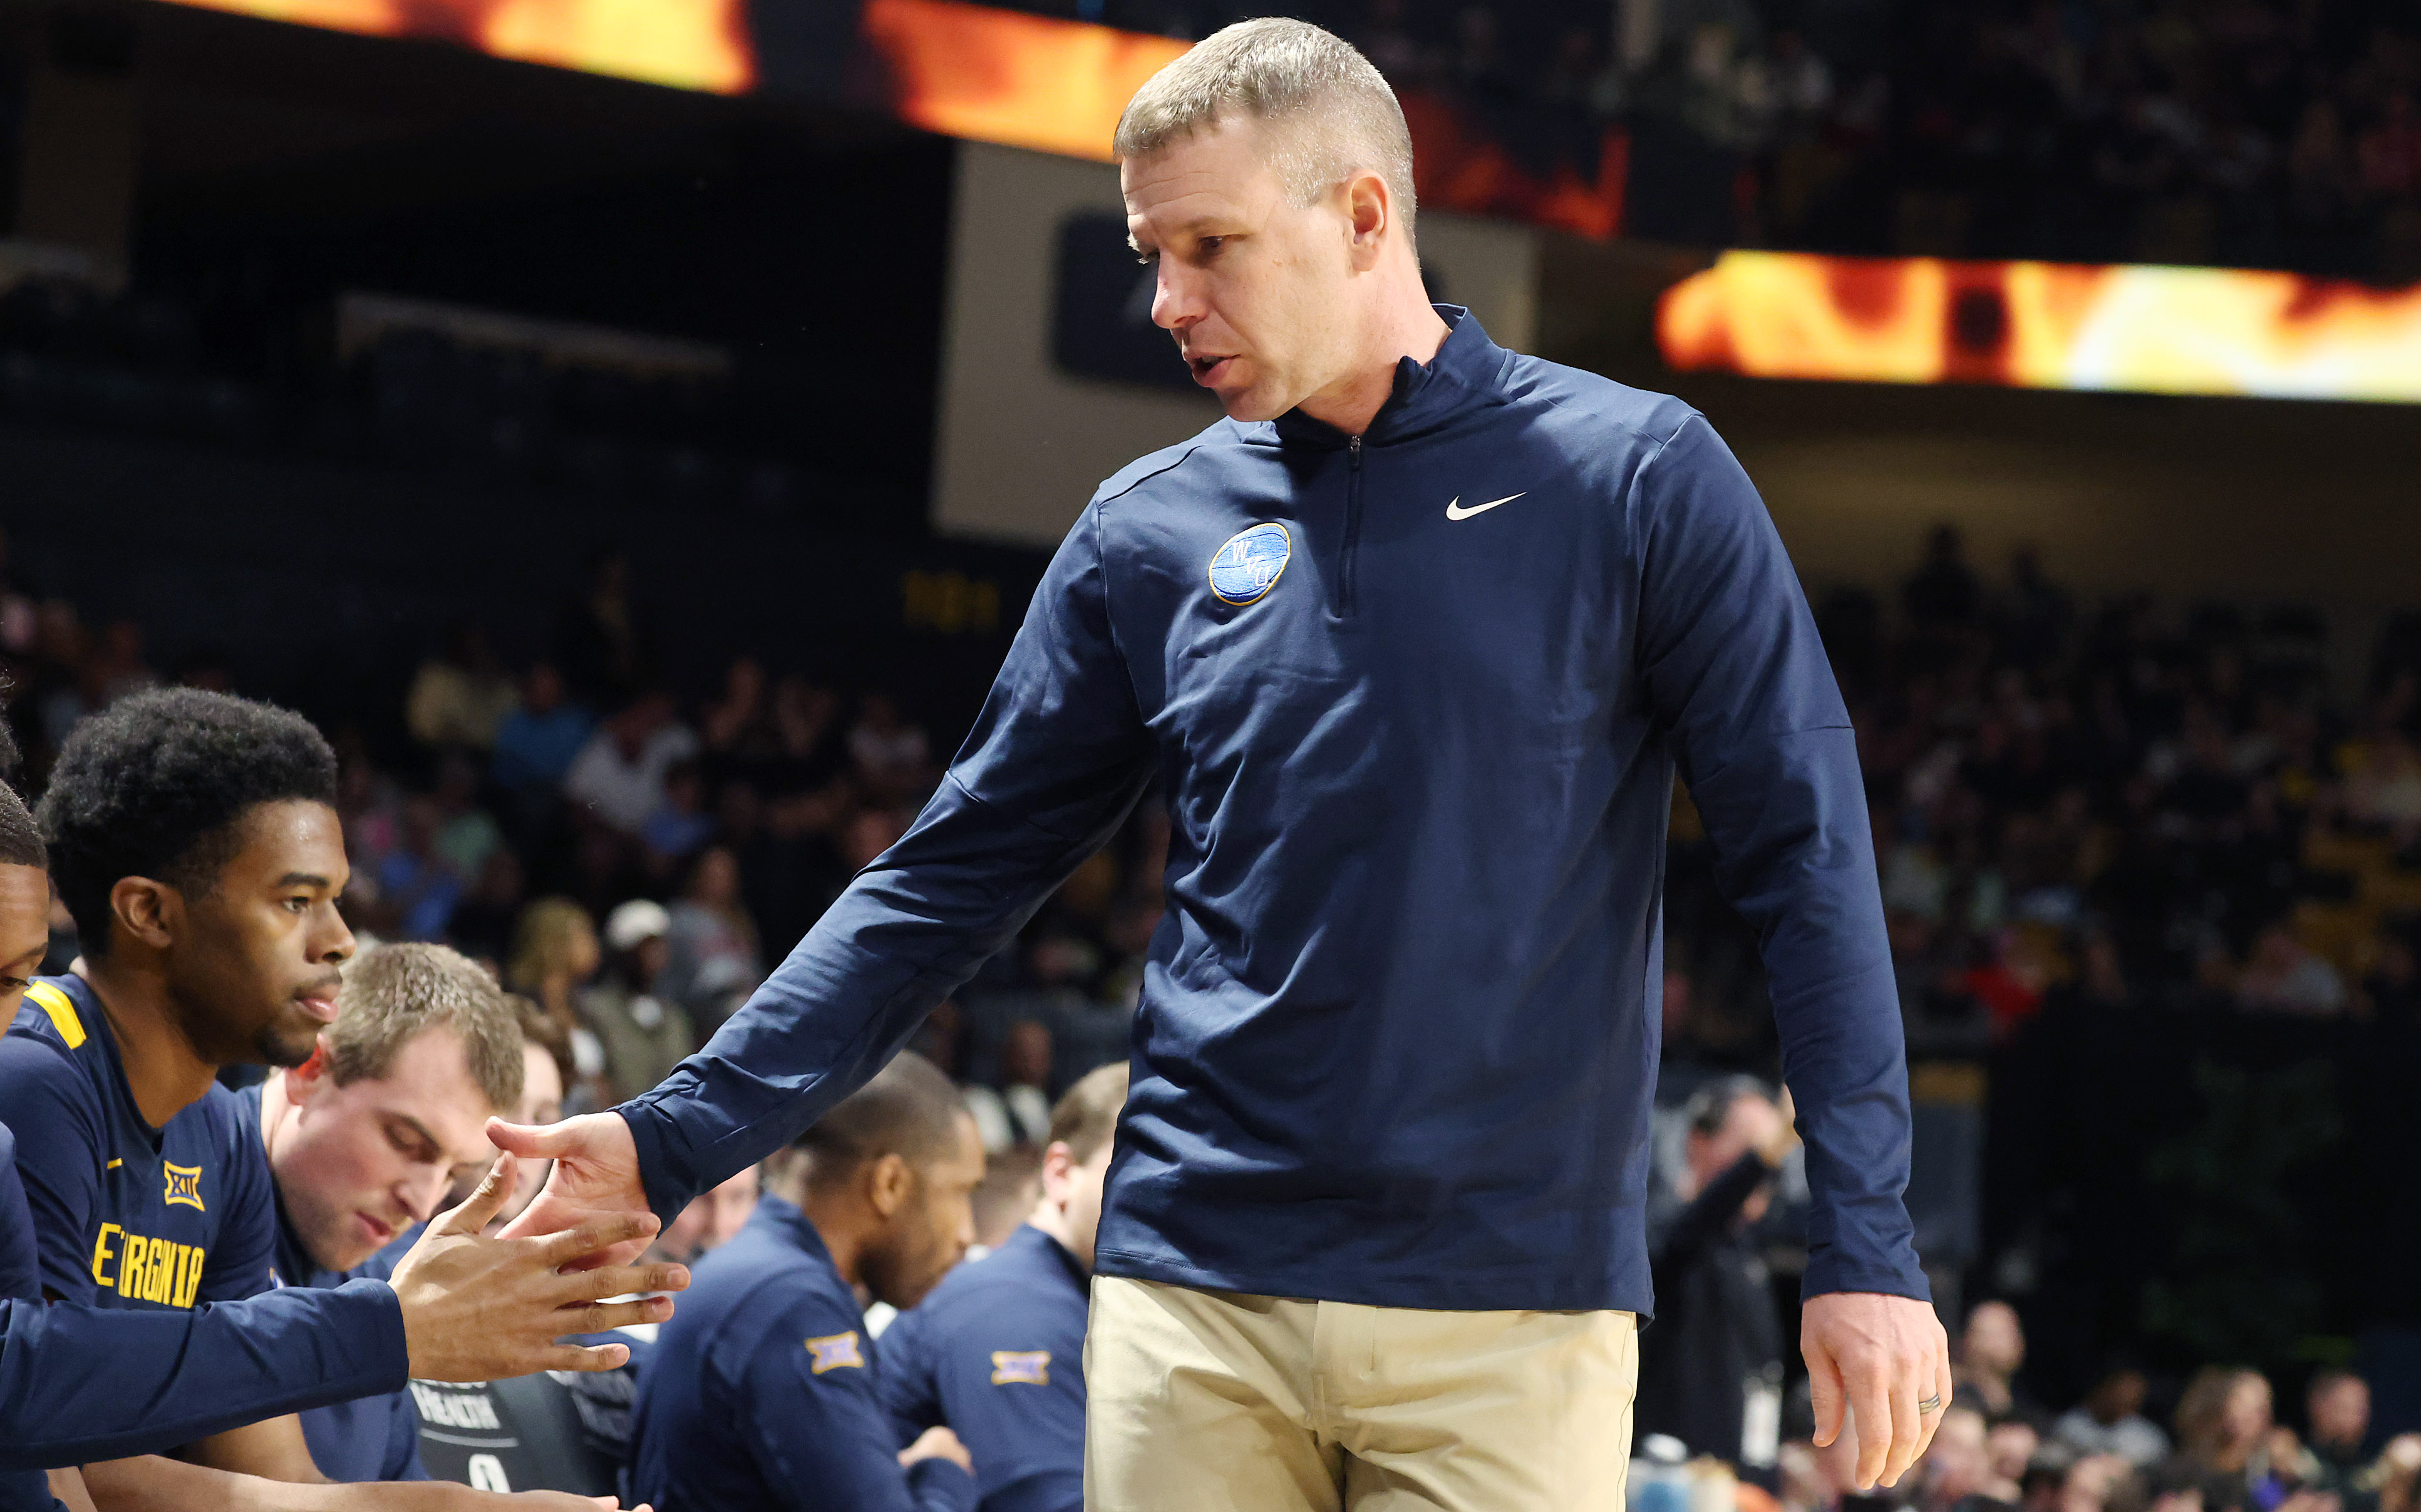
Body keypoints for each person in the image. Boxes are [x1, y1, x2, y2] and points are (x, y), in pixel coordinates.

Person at [495, 19, 1946, 1509]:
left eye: (1211, 246)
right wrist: (668, 1133)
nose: (1165, 299)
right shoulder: (1146, 527)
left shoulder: (1636, 475)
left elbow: (1808, 862)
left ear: (1363, 215)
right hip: (1192, 1288)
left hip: (1509, 1307)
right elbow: (943, 878)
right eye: (1151, 252)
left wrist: (1866, 1244)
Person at [0, 689, 680, 1512]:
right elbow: (39, 1438)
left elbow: (289, 1491)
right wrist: (390, 1329)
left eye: (333, 897)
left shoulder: (217, 1130)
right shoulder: (35, 1082)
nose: (338, 939)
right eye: (295, 901)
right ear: (150, 913)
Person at [628, 1052, 985, 1512]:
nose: (967, 1233)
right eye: (960, 1192)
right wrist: (943, 1472)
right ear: (889, 1183)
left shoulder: (763, 1273)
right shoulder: (791, 1306)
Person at [243, 941, 531, 1481]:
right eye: (405, 1141)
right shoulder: (181, 1182)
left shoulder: (386, 1277)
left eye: (452, 1172)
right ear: (309, 1069)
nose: (422, 1201)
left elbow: (397, 1483)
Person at [879, 1063, 1128, 1512]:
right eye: (1139, 1166)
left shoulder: (1078, 1292)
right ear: (1060, 1171)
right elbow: (1048, 1503)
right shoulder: (1012, 1306)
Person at [1635, 1078, 1802, 1471]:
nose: (1765, 1170)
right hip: (1668, 1474)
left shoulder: (1749, 1251)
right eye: (1751, 1151)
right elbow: (1692, 1230)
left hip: (1741, 1476)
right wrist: (1770, 1150)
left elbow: (1763, 1374)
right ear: (1699, 1141)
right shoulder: (1660, 1229)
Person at [585, 900, 696, 1104]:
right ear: (622, 952)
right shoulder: (595, 1010)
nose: (654, 955)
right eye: (644, 946)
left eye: (659, 945)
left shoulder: (674, 1017)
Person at [2052, 1362, 2170, 1468]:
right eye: (2118, 1389)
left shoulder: (2150, 1440)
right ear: (2103, 1389)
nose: (2122, 1397)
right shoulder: (2072, 1423)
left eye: (2131, 1392)